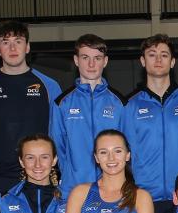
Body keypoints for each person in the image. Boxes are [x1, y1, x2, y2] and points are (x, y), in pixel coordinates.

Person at [0, 20, 62, 197]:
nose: (12, 48)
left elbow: (56, 135)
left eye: (18, 41)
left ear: (27, 47)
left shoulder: (49, 86)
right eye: (6, 43)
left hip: (37, 176)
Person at [123, 34, 178, 213]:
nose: (158, 60)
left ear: (173, 61)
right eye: (152, 55)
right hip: (143, 196)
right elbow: (124, 154)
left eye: (164, 55)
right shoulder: (129, 105)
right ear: (143, 61)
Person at [50, 34, 125, 197]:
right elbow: (57, 148)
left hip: (112, 191)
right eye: (85, 57)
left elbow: (127, 149)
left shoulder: (120, 103)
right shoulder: (61, 103)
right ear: (76, 60)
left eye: (97, 58)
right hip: (73, 189)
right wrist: (69, 177)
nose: (91, 64)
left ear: (105, 61)